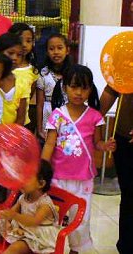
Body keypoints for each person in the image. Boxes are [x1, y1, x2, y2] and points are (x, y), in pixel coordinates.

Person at [42, 65, 116, 254]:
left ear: (90, 89)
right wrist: (42, 167)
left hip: (84, 179)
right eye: (74, 87)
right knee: (54, 216)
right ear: (65, 87)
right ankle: (50, 248)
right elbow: (49, 145)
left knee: (81, 218)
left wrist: (104, 146)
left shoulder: (95, 116)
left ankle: (77, 249)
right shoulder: (57, 115)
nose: (79, 92)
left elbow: (97, 142)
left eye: (84, 88)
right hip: (58, 177)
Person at [100, 86, 133, 254]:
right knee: (128, 195)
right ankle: (126, 246)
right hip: (124, 138)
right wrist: (92, 118)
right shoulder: (126, 61)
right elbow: (112, 88)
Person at [36, 33, 72, 140]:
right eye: (51, 49)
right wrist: (39, 129)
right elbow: (39, 104)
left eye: (60, 48)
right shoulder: (43, 74)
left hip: (67, 114)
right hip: (48, 114)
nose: (56, 52)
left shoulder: (72, 74)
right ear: (47, 52)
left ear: (67, 50)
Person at [0, 33, 30, 125]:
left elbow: (21, 117)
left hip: (12, 134)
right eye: (10, 53)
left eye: (19, 55)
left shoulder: (22, 82)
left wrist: (11, 136)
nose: (14, 58)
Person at [9, 23, 39, 131]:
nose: (25, 45)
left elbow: (28, 97)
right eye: (21, 40)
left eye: (29, 41)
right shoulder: (4, 67)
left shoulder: (33, 71)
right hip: (2, 120)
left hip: (22, 123)